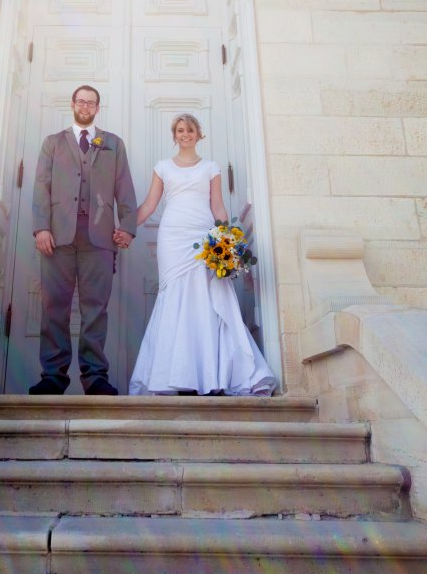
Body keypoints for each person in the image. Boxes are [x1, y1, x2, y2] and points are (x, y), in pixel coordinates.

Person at [129, 113, 275, 397]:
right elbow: (148, 205)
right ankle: (171, 375)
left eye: (190, 130)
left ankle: (212, 373)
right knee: (175, 295)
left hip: (203, 235)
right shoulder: (162, 167)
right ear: (174, 135)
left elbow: (218, 206)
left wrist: (228, 241)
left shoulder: (211, 167)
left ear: (198, 134)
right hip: (173, 237)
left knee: (209, 296)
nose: (185, 134)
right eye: (180, 130)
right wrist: (124, 228)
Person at [31, 85, 137, 396]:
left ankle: (95, 377)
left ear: (97, 108)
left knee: (95, 310)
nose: (86, 106)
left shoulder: (113, 144)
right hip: (57, 237)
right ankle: (53, 376)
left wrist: (127, 226)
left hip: (99, 238)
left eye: (91, 102)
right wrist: (41, 228)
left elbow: (125, 188)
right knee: (54, 307)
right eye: (81, 101)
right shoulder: (52, 143)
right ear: (73, 104)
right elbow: (41, 188)